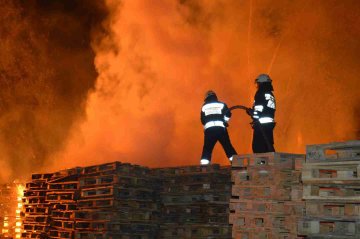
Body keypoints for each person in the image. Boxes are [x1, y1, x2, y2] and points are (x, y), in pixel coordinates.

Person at [200, 90, 237, 165]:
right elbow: (228, 114)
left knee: (207, 149)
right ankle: (237, 163)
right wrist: (225, 121)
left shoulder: (204, 106)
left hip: (210, 131)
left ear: (206, 98)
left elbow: (203, 120)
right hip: (221, 130)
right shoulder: (222, 104)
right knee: (227, 146)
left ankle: (204, 167)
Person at [247, 74, 276, 153]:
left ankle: (261, 164)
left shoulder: (260, 92)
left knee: (258, 146)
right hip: (269, 123)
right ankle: (271, 162)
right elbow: (267, 108)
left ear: (262, 83)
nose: (257, 85)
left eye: (258, 83)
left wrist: (252, 113)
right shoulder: (270, 94)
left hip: (261, 124)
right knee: (268, 145)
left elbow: (258, 109)